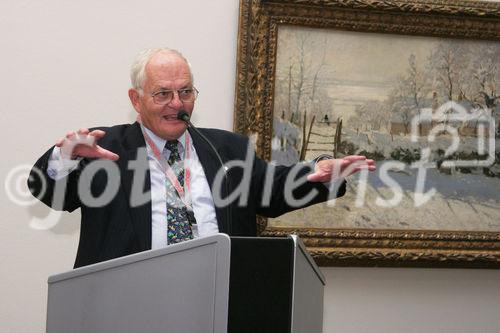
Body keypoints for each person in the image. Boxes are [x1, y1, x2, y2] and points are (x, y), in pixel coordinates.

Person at [28, 48, 375, 268]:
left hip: (217, 301)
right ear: (136, 99)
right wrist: (64, 156)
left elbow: (272, 190)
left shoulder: (225, 149)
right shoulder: (106, 147)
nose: (177, 104)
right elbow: (50, 192)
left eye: (185, 92)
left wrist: (321, 171)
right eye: (163, 93)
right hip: (124, 307)